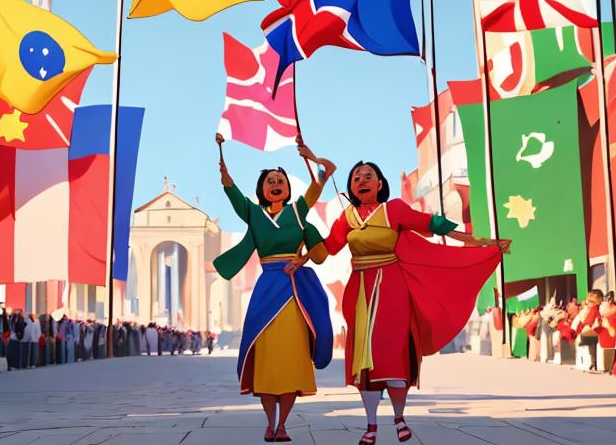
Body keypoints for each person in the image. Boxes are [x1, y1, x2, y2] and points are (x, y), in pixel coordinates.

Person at [298, 160, 507, 445]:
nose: (361, 180)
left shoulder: (393, 208)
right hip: (360, 292)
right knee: (364, 359)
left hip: (392, 288)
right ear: (351, 186)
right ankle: (370, 425)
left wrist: (474, 240)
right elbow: (328, 249)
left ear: (379, 184)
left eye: (368, 176)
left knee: (394, 351)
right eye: (356, 177)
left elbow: (429, 223)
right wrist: (301, 244)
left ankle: (399, 417)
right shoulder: (347, 217)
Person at [213, 134, 335, 443]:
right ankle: (270, 423)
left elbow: (327, 172)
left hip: (295, 292)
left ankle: (284, 426)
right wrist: (223, 161)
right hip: (266, 289)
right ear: (262, 189)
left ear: (288, 186)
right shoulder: (252, 213)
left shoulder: (298, 211)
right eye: (270, 180)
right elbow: (231, 189)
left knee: (293, 360)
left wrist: (311, 155)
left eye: (280, 179)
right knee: (267, 361)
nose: (276, 183)